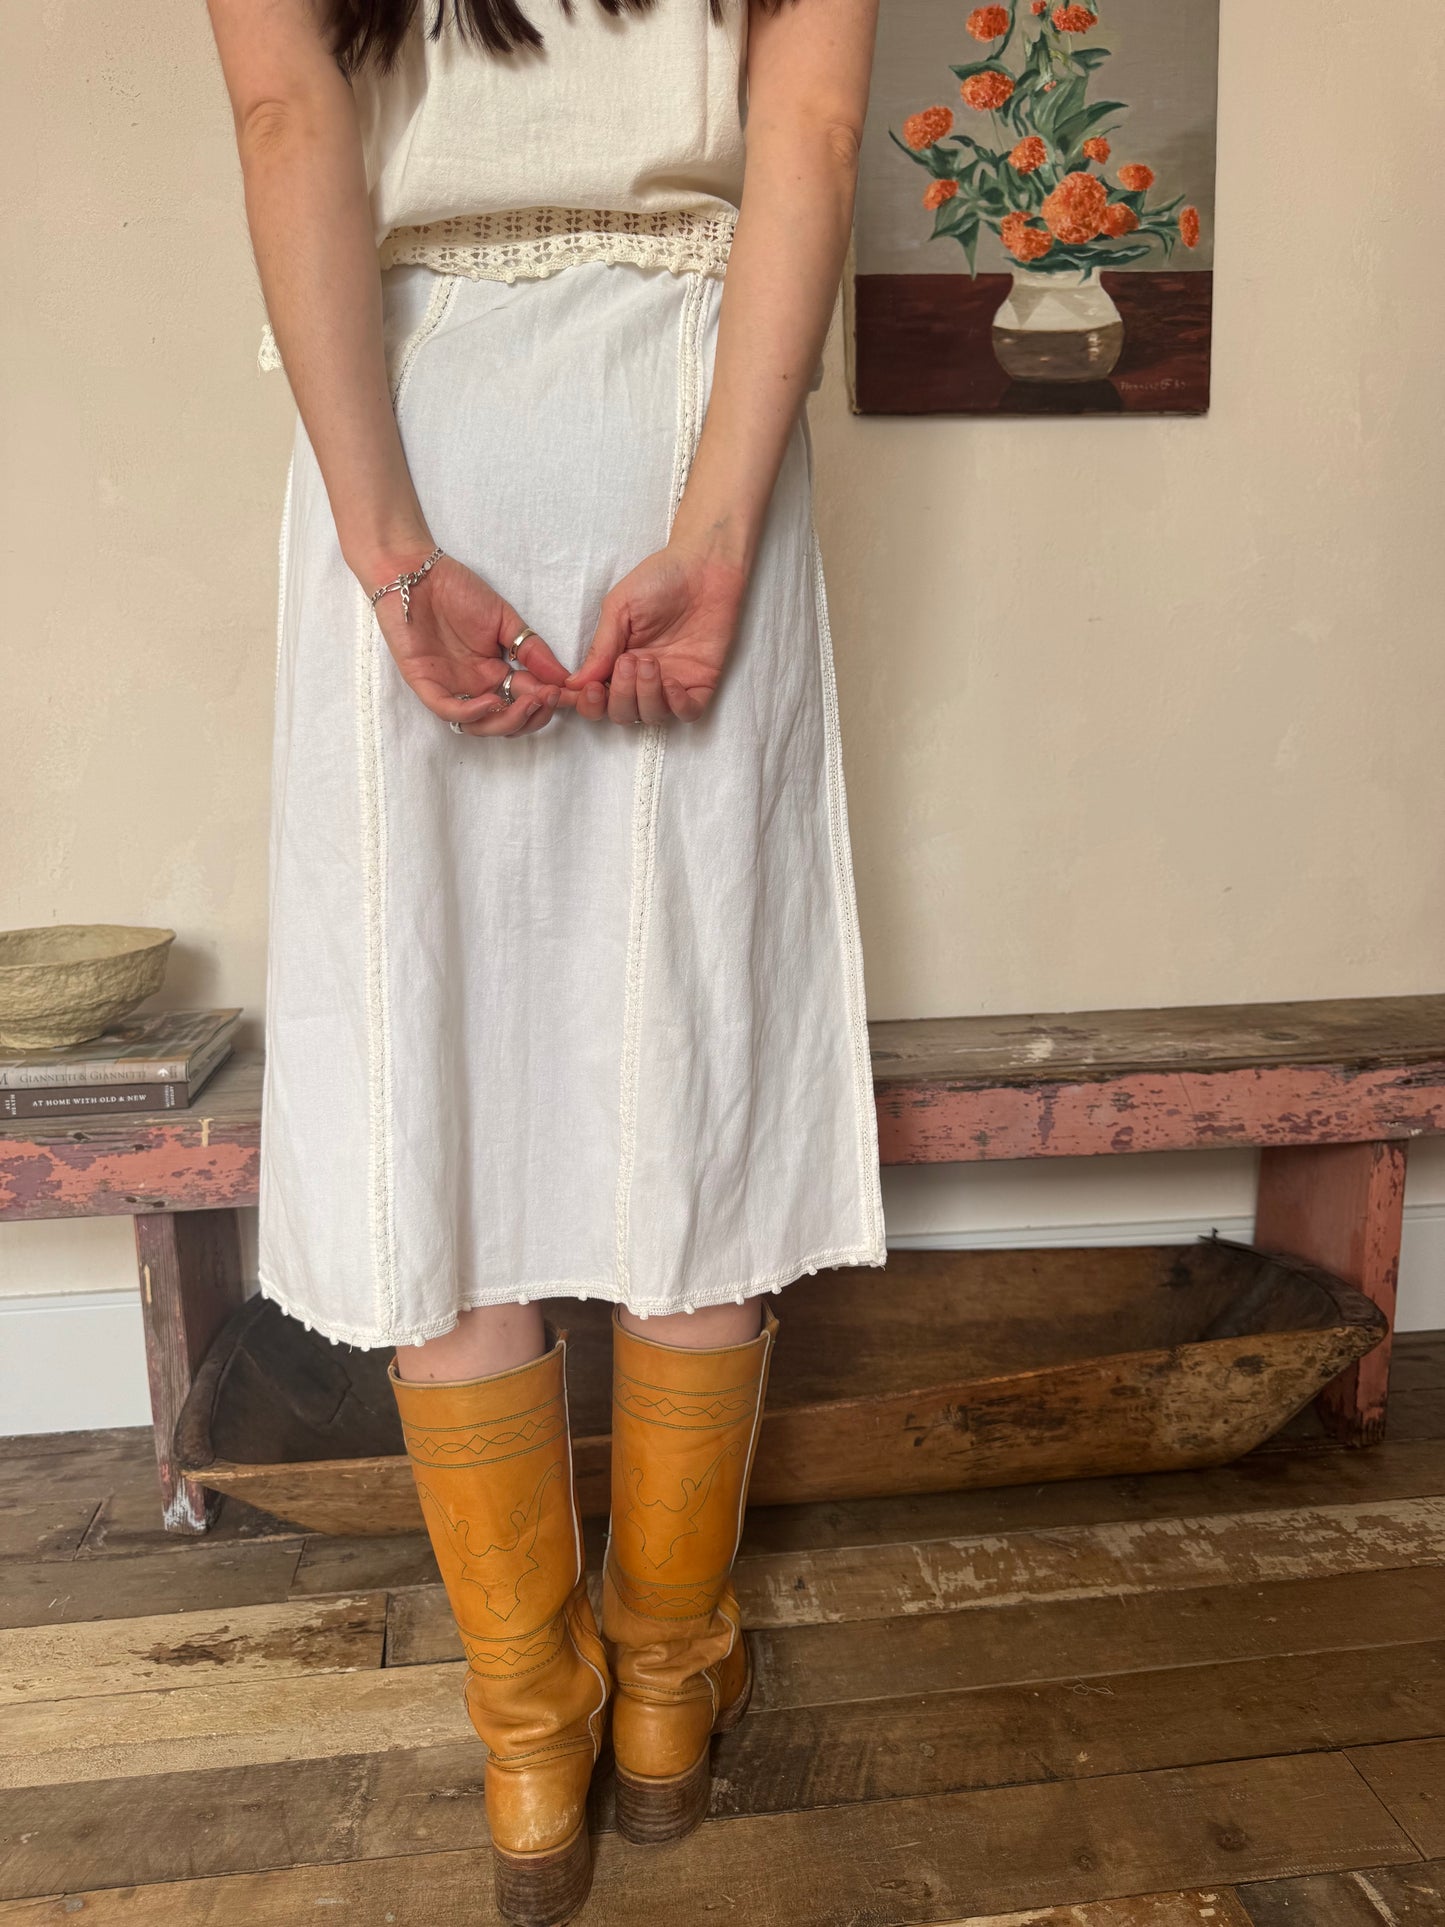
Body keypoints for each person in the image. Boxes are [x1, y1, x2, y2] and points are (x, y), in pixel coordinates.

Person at [206, 0, 884, 1919]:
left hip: (414, 416)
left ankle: (531, 1737)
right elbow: (812, 140)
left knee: (437, 1081)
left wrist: (393, 554)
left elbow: (286, 124)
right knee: (693, 1052)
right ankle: (662, 1695)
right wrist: (719, 528)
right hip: (688, 410)